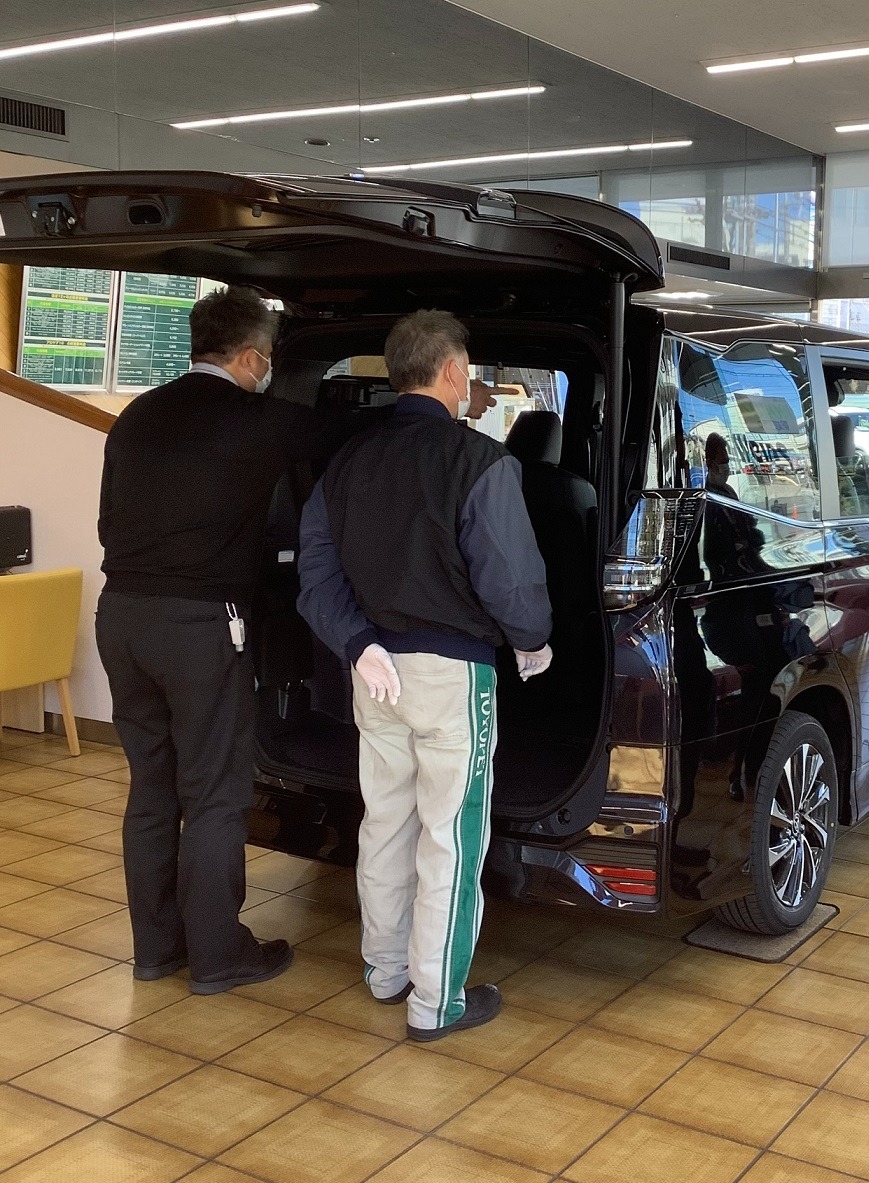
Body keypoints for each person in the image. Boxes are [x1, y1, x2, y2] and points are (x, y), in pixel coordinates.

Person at [297, 309, 552, 1041]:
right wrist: (532, 641)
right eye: (467, 371)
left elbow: (316, 574)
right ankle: (436, 1002)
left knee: (385, 824)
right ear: (450, 372)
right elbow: (511, 583)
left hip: (373, 671)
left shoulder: (347, 460)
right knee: (451, 837)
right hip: (452, 675)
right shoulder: (481, 462)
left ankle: (385, 971)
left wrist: (356, 643)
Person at [96, 285, 335, 994]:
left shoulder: (138, 415)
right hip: (200, 625)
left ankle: (156, 949)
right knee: (214, 792)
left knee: (151, 788)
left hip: (121, 617)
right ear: (253, 357)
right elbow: (352, 447)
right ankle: (219, 953)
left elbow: (109, 521)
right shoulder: (261, 419)